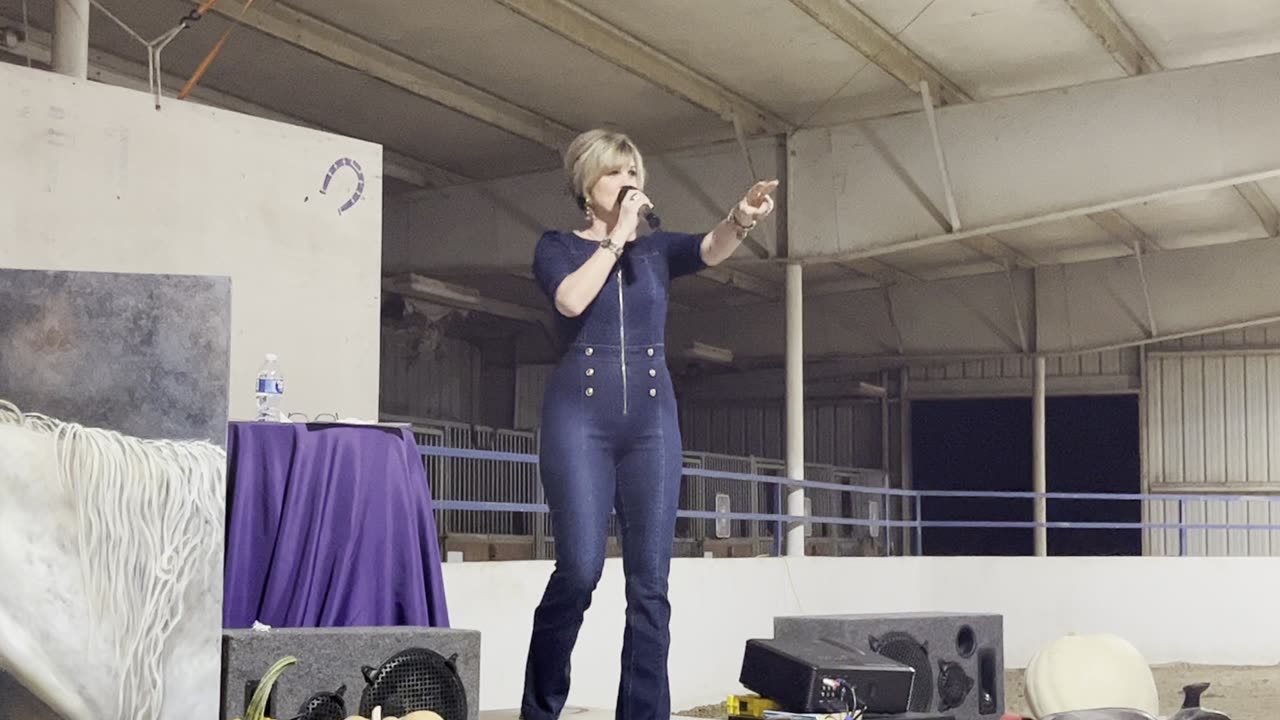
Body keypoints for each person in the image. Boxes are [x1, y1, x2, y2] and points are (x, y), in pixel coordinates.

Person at [523, 127, 778, 720]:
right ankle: (540, 709)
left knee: (650, 586)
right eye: (617, 172)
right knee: (580, 571)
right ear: (588, 186)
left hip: (651, 425)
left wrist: (740, 217)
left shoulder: (658, 251)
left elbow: (710, 248)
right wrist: (613, 241)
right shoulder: (556, 245)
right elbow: (569, 300)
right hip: (578, 417)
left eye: (636, 172)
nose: (631, 182)